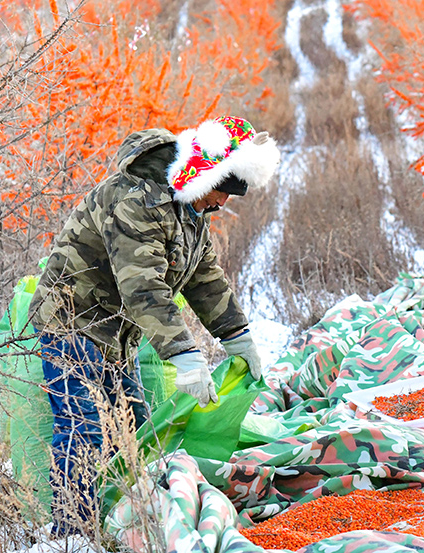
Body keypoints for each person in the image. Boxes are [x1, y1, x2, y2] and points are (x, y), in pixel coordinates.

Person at [28, 115, 280, 534]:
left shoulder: (189, 212)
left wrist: (239, 337)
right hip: (72, 321)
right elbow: (143, 286)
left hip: (115, 332)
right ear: (204, 176)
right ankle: (72, 532)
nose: (222, 204)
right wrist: (184, 354)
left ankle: (125, 518)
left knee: (136, 430)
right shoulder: (135, 201)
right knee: (84, 426)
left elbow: (204, 279)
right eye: (222, 192)